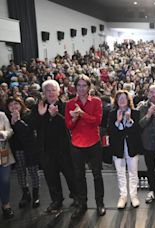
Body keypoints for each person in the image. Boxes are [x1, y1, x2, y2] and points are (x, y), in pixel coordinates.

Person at [65, 75, 105, 218]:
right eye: (79, 85)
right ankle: (82, 204)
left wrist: (82, 114)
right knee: (79, 176)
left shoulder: (96, 101)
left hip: (93, 142)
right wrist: (75, 118)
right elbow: (68, 125)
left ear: (89, 87)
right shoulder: (69, 103)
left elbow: (97, 121)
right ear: (75, 87)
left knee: (97, 175)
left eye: (84, 85)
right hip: (76, 143)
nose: (81, 88)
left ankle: (100, 203)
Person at [34, 80, 78, 213]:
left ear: (58, 92)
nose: (51, 93)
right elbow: (32, 125)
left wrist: (56, 115)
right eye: (47, 90)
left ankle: (76, 196)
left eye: (53, 90)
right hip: (46, 149)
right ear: (44, 93)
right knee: (51, 177)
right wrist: (41, 115)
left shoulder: (66, 106)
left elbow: (70, 124)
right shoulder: (40, 106)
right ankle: (56, 200)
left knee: (70, 175)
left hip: (64, 149)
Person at [108, 90, 142, 209]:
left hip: (132, 147)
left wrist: (129, 121)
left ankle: (134, 196)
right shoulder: (112, 113)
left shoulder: (135, 113)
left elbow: (137, 131)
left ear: (128, 100)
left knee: (133, 173)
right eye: (119, 98)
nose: (122, 100)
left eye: (124, 98)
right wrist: (118, 121)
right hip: (118, 148)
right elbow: (110, 131)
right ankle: (123, 196)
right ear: (116, 101)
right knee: (120, 173)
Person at [6, 96, 41, 209]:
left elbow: (29, 131)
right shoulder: (6, 117)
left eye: (16, 104)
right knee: (21, 173)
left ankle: (36, 195)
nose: (14, 107)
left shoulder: (28, 114)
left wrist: (18, 121)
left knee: (33, 172)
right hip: (17, 149)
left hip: (30, 148)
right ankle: (25, 194)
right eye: (10, 105)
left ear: (21, 104)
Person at [0, 111, 15, 219]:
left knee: (5, 181)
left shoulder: (1, 115)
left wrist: (4, 134)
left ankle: (6, 205)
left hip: (3, 154)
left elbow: (10, 131)